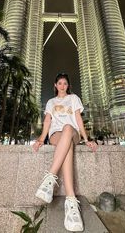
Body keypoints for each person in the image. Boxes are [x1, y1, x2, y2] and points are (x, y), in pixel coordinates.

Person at [33, 73, 97, 232]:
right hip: (56, 135)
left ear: (68, 86)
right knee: (66, 145)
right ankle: (71, 203)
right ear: (55, 85)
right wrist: (41, 139)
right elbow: (47, 121)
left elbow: (78, 119)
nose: (62, 86)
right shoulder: (50, 102)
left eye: (65, 83)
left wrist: (87, 138)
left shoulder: (74, 98)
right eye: (59, 83)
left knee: (68, 128)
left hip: (72, 133)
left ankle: (49, 179)